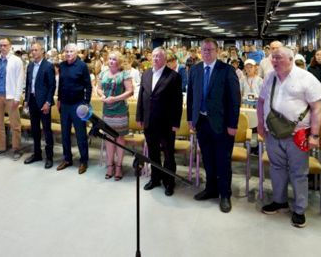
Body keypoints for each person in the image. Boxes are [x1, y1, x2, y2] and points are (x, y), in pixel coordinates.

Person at [257, 46, 321, 228]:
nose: (274, 61)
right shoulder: (269, 77)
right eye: (273, 58)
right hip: (273, 133)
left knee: (299, 172)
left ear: (291, 59)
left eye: (278, 57)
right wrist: (260, 124)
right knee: (276, 168)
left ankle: (300, 209)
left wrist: (315, 135)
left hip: (297, 135)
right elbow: (261, 101)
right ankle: (279, 201)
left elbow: (317, 108)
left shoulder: (307, 78)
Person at [187, 38, 240, 212]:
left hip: (222, 124)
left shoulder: (227, 70)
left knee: (223, 160)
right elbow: (191, 96)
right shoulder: (195, 70)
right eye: (204, 49)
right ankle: (211, 189)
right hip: (201, 122)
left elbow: (234, 100)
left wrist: (233, 124)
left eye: (210, 49)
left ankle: (225, 194)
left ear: (217, 51)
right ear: (200, 51)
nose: (207, 52)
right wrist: (190, 118)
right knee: (207, 158)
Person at [137, 47, 182, 196]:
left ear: (165, 59)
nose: (156, 58)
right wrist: (139, 117)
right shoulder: (146, 74)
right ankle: (155, 178)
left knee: (168, 154)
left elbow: (177, 102)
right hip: (149, 121)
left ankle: (169, 182)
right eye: (154, 56)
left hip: (166, 123)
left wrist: (176, 123)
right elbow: (141, 96)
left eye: (159, 56)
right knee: (153, 153)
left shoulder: (173, 76)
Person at [96, 51, 133, 181]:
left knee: (119, 138)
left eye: (114, 59)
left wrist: (115, 98)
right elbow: (98, 88)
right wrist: (102, 95)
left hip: (120, 111)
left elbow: (130, 91)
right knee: (109, 138)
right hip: (107, 111)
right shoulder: (103, 73)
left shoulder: (124, 74)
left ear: (119, 61)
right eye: (110, 59)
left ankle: (118, 167)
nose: (111, 61)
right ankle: (110, 166)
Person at [0, 38, 25, 160]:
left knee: (15, 125)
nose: (2, 47)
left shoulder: (16, 60)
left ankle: (16, 149)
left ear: (10, 46)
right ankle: (1, 148)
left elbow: (20, 80)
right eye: (1, 45)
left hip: (11, 97)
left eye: (5, 45)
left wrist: (17, 97)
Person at [57, 43, 92, 174]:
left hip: (78, 104)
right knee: (65, 133)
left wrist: (86, 103)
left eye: (71, 51)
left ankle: (84, 161)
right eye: (67, 51)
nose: (69, 54)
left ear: (76, 53)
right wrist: (59, 99)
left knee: (80, 134)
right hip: (65, 105)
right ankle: (67, 159)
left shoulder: (82, 66)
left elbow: (88, 86)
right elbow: (61, 84)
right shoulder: (62, 65)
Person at [23, 43, 56, 169]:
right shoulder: (30, 65)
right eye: (32, 50)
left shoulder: (48, 66)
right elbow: (28, 84)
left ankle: (49, 157)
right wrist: (26, 100)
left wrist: (48, 102)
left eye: (36, 50)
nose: (33, 52)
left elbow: (52, 86)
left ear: (42, 51)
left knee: (47, 130)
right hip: (32, 101)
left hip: (44, 103)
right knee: (35, 129)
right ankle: (37, 154)